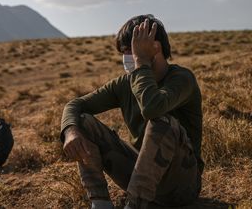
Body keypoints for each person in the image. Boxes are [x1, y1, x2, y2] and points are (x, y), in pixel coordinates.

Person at [60, 14, 203, 209]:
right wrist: (70, 131)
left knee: (161, 121)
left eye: (131, 50)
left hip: (181, 186)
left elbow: (152, 108)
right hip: (138, 177)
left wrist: (141, 63)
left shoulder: (181, 79)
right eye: (125, 51)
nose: (127, 57)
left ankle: (135, 206)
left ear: (155, 47)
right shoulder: (125, 83)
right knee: (81, 121)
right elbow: (74, 105)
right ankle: (100, 204)